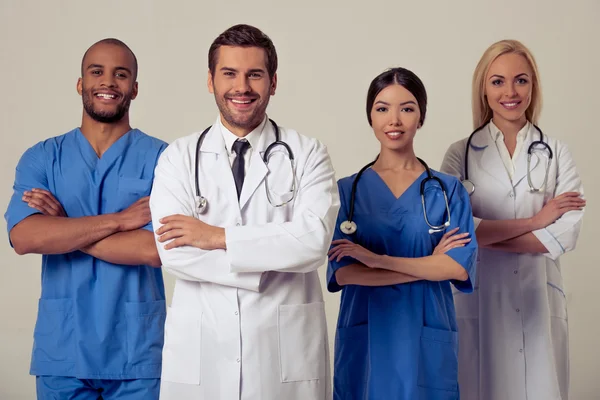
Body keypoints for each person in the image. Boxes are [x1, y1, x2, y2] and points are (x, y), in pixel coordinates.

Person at [149, 24, 339, 400]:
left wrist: (216, 237)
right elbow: (174, 252)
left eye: (255, 74)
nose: (243, 87)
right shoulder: (178, 158)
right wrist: (270, 258)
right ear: (210, 80)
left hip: (283, 357)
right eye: (229, 74)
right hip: (204, 354)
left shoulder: (308, 153)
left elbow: (313, 243)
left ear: (273, 82)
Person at [4, 39, 167, 399]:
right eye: (97, 72)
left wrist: (64, 228)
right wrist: (121, 220)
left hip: (136, 352)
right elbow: (25, 238)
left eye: (120, 74)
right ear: (80, 83)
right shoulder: (42, 158)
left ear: (134, 89)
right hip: (63, 349)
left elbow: (156, 249)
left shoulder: (163, 159)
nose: (108, 82)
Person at [440, 39, 586, 400]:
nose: (510, 91)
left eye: (521, 80)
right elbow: (454, 231)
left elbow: (565, 234)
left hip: (538, 297)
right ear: (483, 90)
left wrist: (483, 235)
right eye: (498, 81)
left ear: (533, 86)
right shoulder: (460, 155)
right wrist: (536, 222)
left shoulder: (556, 152)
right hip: (479, 301)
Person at [326, 67, 478, 400]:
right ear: (370, 116)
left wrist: (377, 260)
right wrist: (427, 264)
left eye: (406, 108)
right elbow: (346, 272)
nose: (394, 119)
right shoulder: (346, 192)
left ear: (421, 117)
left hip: (425, 340)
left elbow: (456, 267)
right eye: (382, 108)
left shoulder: (449, 191)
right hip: (367, 341)